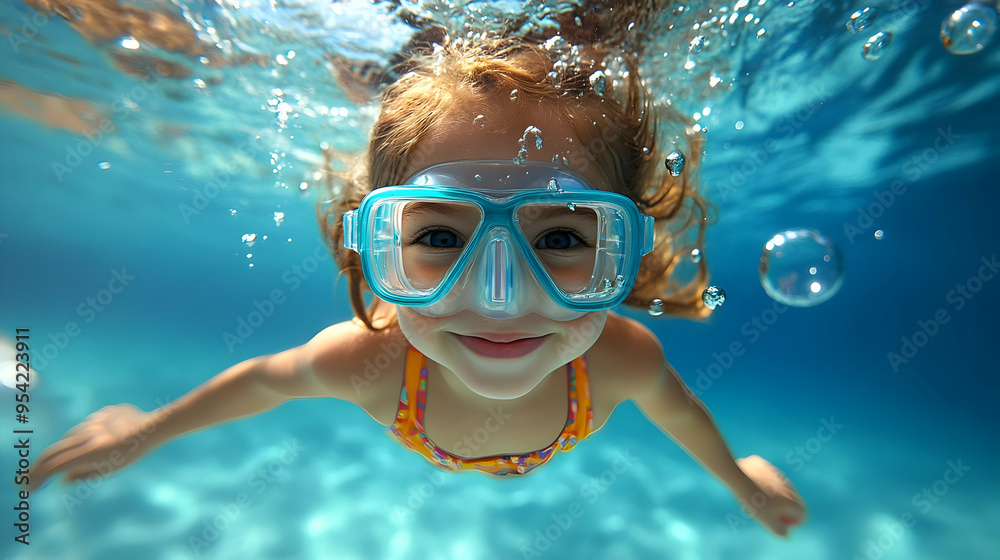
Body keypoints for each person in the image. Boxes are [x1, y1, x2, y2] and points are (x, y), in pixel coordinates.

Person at [27, 36, 807, 536]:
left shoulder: (621, 359)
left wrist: (741, 482)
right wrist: (145, 430)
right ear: (377, 244)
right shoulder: (369, 360)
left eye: (561, 238)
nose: (500, 298)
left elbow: (682, 416)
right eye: (438, 238)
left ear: (624, 252)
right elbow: (261, 382)